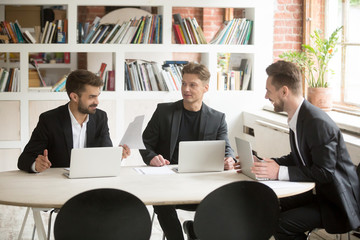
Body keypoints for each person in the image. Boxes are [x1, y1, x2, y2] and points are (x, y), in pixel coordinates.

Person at [234, 60, 360, 239]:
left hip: (334, 203)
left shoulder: (317, 122)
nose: (265, 96)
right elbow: (298, 157)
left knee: (281, 225)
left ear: (284, 91)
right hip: (317, 193)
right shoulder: (299, 116)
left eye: (268, 91)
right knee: (266, 204)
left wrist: (279, 172)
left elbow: (325, 172)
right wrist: (266, 164)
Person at [140, 62, 236, 240]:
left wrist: (229, 158)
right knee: (162, 202)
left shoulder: (217, 118)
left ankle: (195, 232)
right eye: (184, 83)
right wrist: (152, 157)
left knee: (224, 202)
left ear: (205, 88)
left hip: (201, 182)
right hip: (167, 181)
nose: (186, 89)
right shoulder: (164, 112)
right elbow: (144, 142)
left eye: (193, 85)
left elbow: (226, 148)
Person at [18, 69, 130, 173]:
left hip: (92, 181)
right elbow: (24, 159)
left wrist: (117, 156)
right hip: (59, 184)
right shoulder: (49, 120)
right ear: (74, 97)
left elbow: (105, 154)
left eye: (97, 96)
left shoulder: (100, 117)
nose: (97, 102)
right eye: (91, 97)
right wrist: (36, 165)